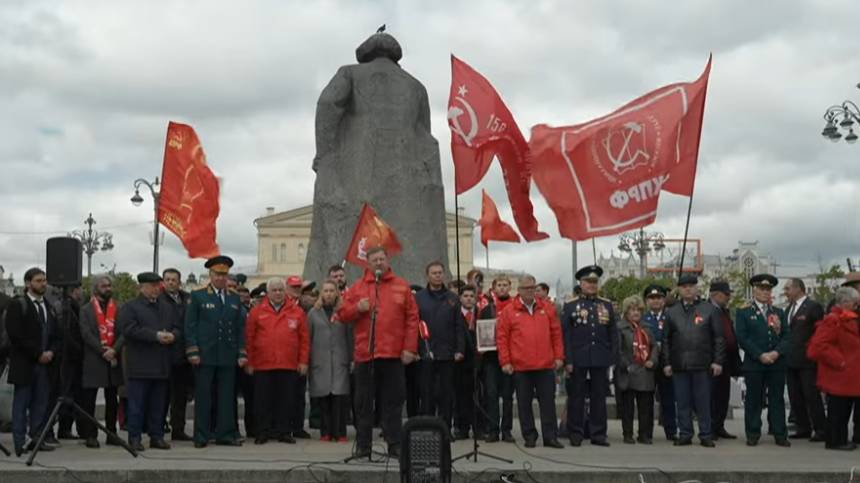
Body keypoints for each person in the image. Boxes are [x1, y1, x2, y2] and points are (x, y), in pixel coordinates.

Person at [336, 246, 419, 458]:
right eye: (375, 260)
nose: (379, 263)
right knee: (363, 403)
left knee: (393, 401)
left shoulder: (401, 286)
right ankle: (363, 446)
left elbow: (412, 319)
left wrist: (409, 348)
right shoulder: (358, 287)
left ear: (387, 260)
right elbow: (343, 314)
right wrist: (358, 309)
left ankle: (394, 444)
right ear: (368, 263)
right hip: (366, 354)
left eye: (382, 259)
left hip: (393, 354)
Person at [185, 256, 247, 448]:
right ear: (210, 275)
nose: (221, 278)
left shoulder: (234, 298)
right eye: (217, 274)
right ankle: (201, 435)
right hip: (205, 355)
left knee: (227, 397)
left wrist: (241, 353)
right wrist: (193, 351)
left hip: (227, 356)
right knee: (204, 397)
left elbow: (240, 328)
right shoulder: (198, 296)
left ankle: (225, 434)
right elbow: (190, 326)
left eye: (224, 274)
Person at [497, 274, 564, 448]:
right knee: (524, 404)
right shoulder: (509, 311)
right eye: (526, 288)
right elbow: (502, 338)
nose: (529, 291)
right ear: (518, 290)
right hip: (521, 367)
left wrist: (559, 357)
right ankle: (530, 436)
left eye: (532, 288)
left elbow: (556, 334)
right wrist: (505, 361)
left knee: (548, 403)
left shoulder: (548, 308)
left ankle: (550, 436)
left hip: (545, 365)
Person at [661, 274, 724, 448]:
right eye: (684, 286)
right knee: (682, 402)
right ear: (679, 290)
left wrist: (718, 361)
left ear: (697, 288)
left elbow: (719, 338)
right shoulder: (672, 312)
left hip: (702, 364)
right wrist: (666, 363)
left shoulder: (708, 309)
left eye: (691, 286)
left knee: (703, 402)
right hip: (679, 364)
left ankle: (705, 434)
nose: (688, 289)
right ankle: (685, 433)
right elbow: (666, 339)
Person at [245, 277, 309, 445]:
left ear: (285, 291)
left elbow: (304, 339)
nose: (278, 293)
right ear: (268, 292)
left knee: (286, 400)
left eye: (281, 290)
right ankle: (263, 431)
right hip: (263, 364)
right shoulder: (257, 312)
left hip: (288, 364)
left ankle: (284, 431)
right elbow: (249, 339)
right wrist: (250, 362)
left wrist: (303, 361)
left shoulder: (297, 312)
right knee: (262, 401)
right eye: (274, 290)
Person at [120, 272, 177, 451]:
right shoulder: (131, 307)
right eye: (151, 286)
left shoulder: (166, 307)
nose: (155, 289)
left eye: (157, 286)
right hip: (140, 365)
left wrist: (174, 335)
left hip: (161, 365)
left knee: (158, 405)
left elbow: (177, 326)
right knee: (137, 405)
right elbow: (129, 330)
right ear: (141, 287)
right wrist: (155, 336)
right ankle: (134, 437)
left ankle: (156, 436)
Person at [5, 267, 60, 456]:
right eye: (38, 280)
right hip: (25, 364)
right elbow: (16, 335)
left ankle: (36, 439)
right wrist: (38, 354)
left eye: (44, 280)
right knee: (21, 404)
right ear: (28, 283)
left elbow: (55, 334)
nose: (43, 283)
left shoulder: (49, 306)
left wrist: (51, 351)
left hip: (45, 365)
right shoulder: (18, 304)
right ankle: (20, 442)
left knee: (41, 403)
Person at [562, 265, 616, 447]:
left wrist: (612, 357)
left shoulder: (606, 305)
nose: (592, 285)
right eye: (588, 282)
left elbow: (612, 333)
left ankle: (598, 433)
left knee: (599, 397)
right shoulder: (570, 306)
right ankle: (575, 433)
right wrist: (568, 360)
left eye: (594, 282)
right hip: (578, 357)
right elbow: (566, 335)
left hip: (600, 357)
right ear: (581, 283)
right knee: (576, 396)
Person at [735, 273, 791, 447]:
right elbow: (742, 338)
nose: (765, 292)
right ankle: (752, 433)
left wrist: (776, 353)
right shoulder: (744, 312)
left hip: (776, 363)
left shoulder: (778, 312)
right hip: (754, 363)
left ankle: (780, 433)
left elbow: (787, 337)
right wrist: (760, 355)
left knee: (777, 399)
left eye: (768, 289)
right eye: (762, 289)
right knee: (753, 400)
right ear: (755, 290)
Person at [807, 286, 860, 450]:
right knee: (838, 410)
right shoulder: (833, 319)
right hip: (841, 374)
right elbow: (817, 346)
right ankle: (836, 441)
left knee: (842, 410)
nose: (857, 305)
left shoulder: (845, 318)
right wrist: (840, 361)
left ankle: (838, 439)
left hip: (847, 375)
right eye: (855, 302)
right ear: (845, 302)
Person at [415, 261, 465, 429]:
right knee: (427, 393)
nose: (437, 275)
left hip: (447, 353)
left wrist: (459, 349)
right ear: (427, 276)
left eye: (440, 272)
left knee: (446, 394)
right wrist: (415, 349)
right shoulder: (419, 298)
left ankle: (445, 428)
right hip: (426, 353)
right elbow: (414, 324)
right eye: (434, 273)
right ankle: (429, 427)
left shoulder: (453, 298)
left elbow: (459, 326)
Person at [79, 275, 124, 448]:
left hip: (113, 358)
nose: (108, 288)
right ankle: (91, 434)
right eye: (104, 286)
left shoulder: (118, 307)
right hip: (94, 359)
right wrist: (102, 351)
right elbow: (86, 334)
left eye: (110, 285)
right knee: (89, 400)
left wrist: (114, 350)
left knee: (112, 399)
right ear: (96, 288)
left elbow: (123, 332)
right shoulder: (86, 309)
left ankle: (112, 433)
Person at [782, 278, 826, 441]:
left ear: (798, 288)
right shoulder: (788, 310)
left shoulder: (813, 307)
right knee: (795, 396)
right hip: (791, 360)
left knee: (811, 395)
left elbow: (819, 332)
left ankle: (821, 428)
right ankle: (803, 427)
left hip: (807, 360)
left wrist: (812, 350)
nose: (785, 292)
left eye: (787, 289)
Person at [308, 280, 353, 442]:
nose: (328, 294)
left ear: (337, 293)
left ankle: (340, 432)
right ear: (321, 293)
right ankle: (325, 432)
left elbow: (350, 336)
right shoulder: (313, 313)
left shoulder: (344, 311)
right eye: (325, 291)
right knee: (324, 398)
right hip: (320, 360)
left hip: (340, 359)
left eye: (331, 291)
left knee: (339, 398)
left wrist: (352, 358)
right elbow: (309, 338)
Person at [615, 295, 659, 444]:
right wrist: (625, 365)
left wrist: (652, 361)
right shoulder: (620, 328)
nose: (635, 313)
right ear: (626, 312)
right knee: (627, 407)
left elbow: (654, 347)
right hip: (628, 372)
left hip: (645, 372)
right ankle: (627, 434)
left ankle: (644, 434)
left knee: (645, 406)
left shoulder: (647, 328)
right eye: (632, 310)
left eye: (638, 310)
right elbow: (618, 350)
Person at [157, 268, 193, 442]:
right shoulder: (157, 299)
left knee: (180, 396)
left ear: (180, 281)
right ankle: (157, 429)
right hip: (163, 354)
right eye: (168, 279)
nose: (171, 282)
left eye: (174, 279)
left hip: (183, 354)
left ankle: (178, 429)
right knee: (161, 396)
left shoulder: (188, 299)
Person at [480, 275, 516, 443]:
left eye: (505, 285)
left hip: (510, 358)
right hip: (491, 357)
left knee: (508, 395)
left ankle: (506, 430)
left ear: (510, 287)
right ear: (493, 288)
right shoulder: (488, 309)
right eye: (499, 285)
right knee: (491, 394)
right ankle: (493, 429)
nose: (502, 288)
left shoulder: (515, 307)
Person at [642, 284, 676, 440]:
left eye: (659, 298)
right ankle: (646, 433)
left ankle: (671, 432)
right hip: (648, 363)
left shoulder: (671, 316)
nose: (655, 301)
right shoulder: (643, 318)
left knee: (668, 399)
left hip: (666, 363)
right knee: (647, 400)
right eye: (652, 298)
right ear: (647, 301)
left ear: (664, 300)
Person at [708, 281, 742, 440]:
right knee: (712, 395)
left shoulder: (724, 311)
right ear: (715, 294)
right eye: (726, 294)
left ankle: (719, 426)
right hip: (712, 360)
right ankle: (710, 427)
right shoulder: (706, 310)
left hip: (727, 359)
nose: (728, 297)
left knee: (723, 395)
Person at [283, 276, 313, 439]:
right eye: (293, 287)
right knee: (286, 395)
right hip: (285, 357)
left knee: (299, 395)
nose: (296, 290)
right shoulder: (283, 303)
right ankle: (285, 426)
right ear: (287, 288)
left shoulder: (305, 304)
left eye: (298, 287)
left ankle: (298, 426)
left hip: (300, 356)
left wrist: (304, 359)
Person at [453, 284, 482, 440]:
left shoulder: (481, 314)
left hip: (479, 361)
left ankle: (478, 427)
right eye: (466, 296)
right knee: (461, 396)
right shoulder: (455, 314)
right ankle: (461, 427)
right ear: (460, 298)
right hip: (460, 362)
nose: (469, 299)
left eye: (472, 296)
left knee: (479, 395)